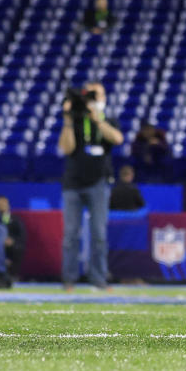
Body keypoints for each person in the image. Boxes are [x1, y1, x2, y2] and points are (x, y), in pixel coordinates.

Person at [59, 82, 124, 291]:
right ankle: (69, 279)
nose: (94, 100)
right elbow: (66, 148)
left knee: (98, 234)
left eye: (98, 95)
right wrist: (68, 120)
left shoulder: (108, 120)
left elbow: (117, 138)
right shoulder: (75, 120)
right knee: (70, 234)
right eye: (90, 96)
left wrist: (97, 120)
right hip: (73, 183)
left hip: (99, 183)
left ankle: (99, 278)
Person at [0, 195, 24, 287]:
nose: (1, 206)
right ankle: (1, 272)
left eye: (3, 204)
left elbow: (22, 238)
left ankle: (2, 273)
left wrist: (12, 241)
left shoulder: (15, 220)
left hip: (11, 251)